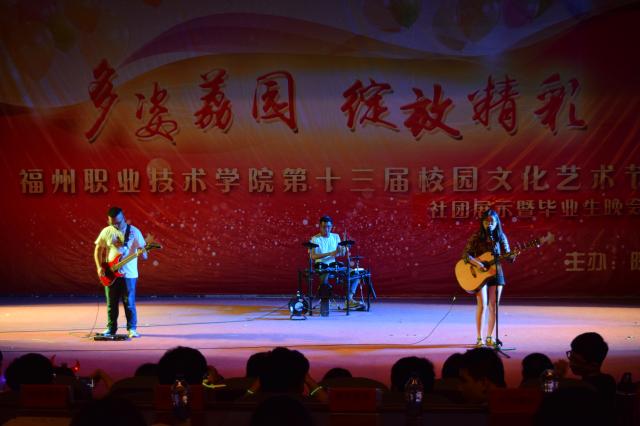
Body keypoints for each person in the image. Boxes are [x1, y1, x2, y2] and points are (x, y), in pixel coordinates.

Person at [462, 209, 514, 347]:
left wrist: (512, 255)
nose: (489, 224)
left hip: (496, 271)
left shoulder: (500, 236)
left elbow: (508, 254)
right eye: (486, 221)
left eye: (492, 221)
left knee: (493, 306)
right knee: (482, 305)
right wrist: (477, 263)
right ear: (482, 222)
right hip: (480, 274)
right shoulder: (477, 236)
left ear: (497, 222)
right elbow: (466, 255)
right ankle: (479, 338)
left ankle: (490, 337)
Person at [94, 206, 147, 338]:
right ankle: (111, 328)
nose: (116, 225)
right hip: (111, 272)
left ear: (123, 218)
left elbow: (145, 254)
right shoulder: (107, 231)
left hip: (129, 274)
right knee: (111, 303)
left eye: (118, 222)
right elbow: (98, 250)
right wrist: (99, 267)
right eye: (113, 223)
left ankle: (132, 329)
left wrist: (143, 253)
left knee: (129, 303)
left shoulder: (134, 231)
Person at [309, 216, 361, 309]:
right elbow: (313, 256)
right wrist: (329, 253)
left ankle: (349, 300)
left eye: (329, 227)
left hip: (334, 266)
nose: (326, 229)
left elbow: (340, 253)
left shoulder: (336, 236)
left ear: (331, 226)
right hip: (321, 267)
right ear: (320, 227)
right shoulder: (315, 239)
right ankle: (324, 300)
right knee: (324, 282)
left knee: (355, 274)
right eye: (324, 227)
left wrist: (344, 249)